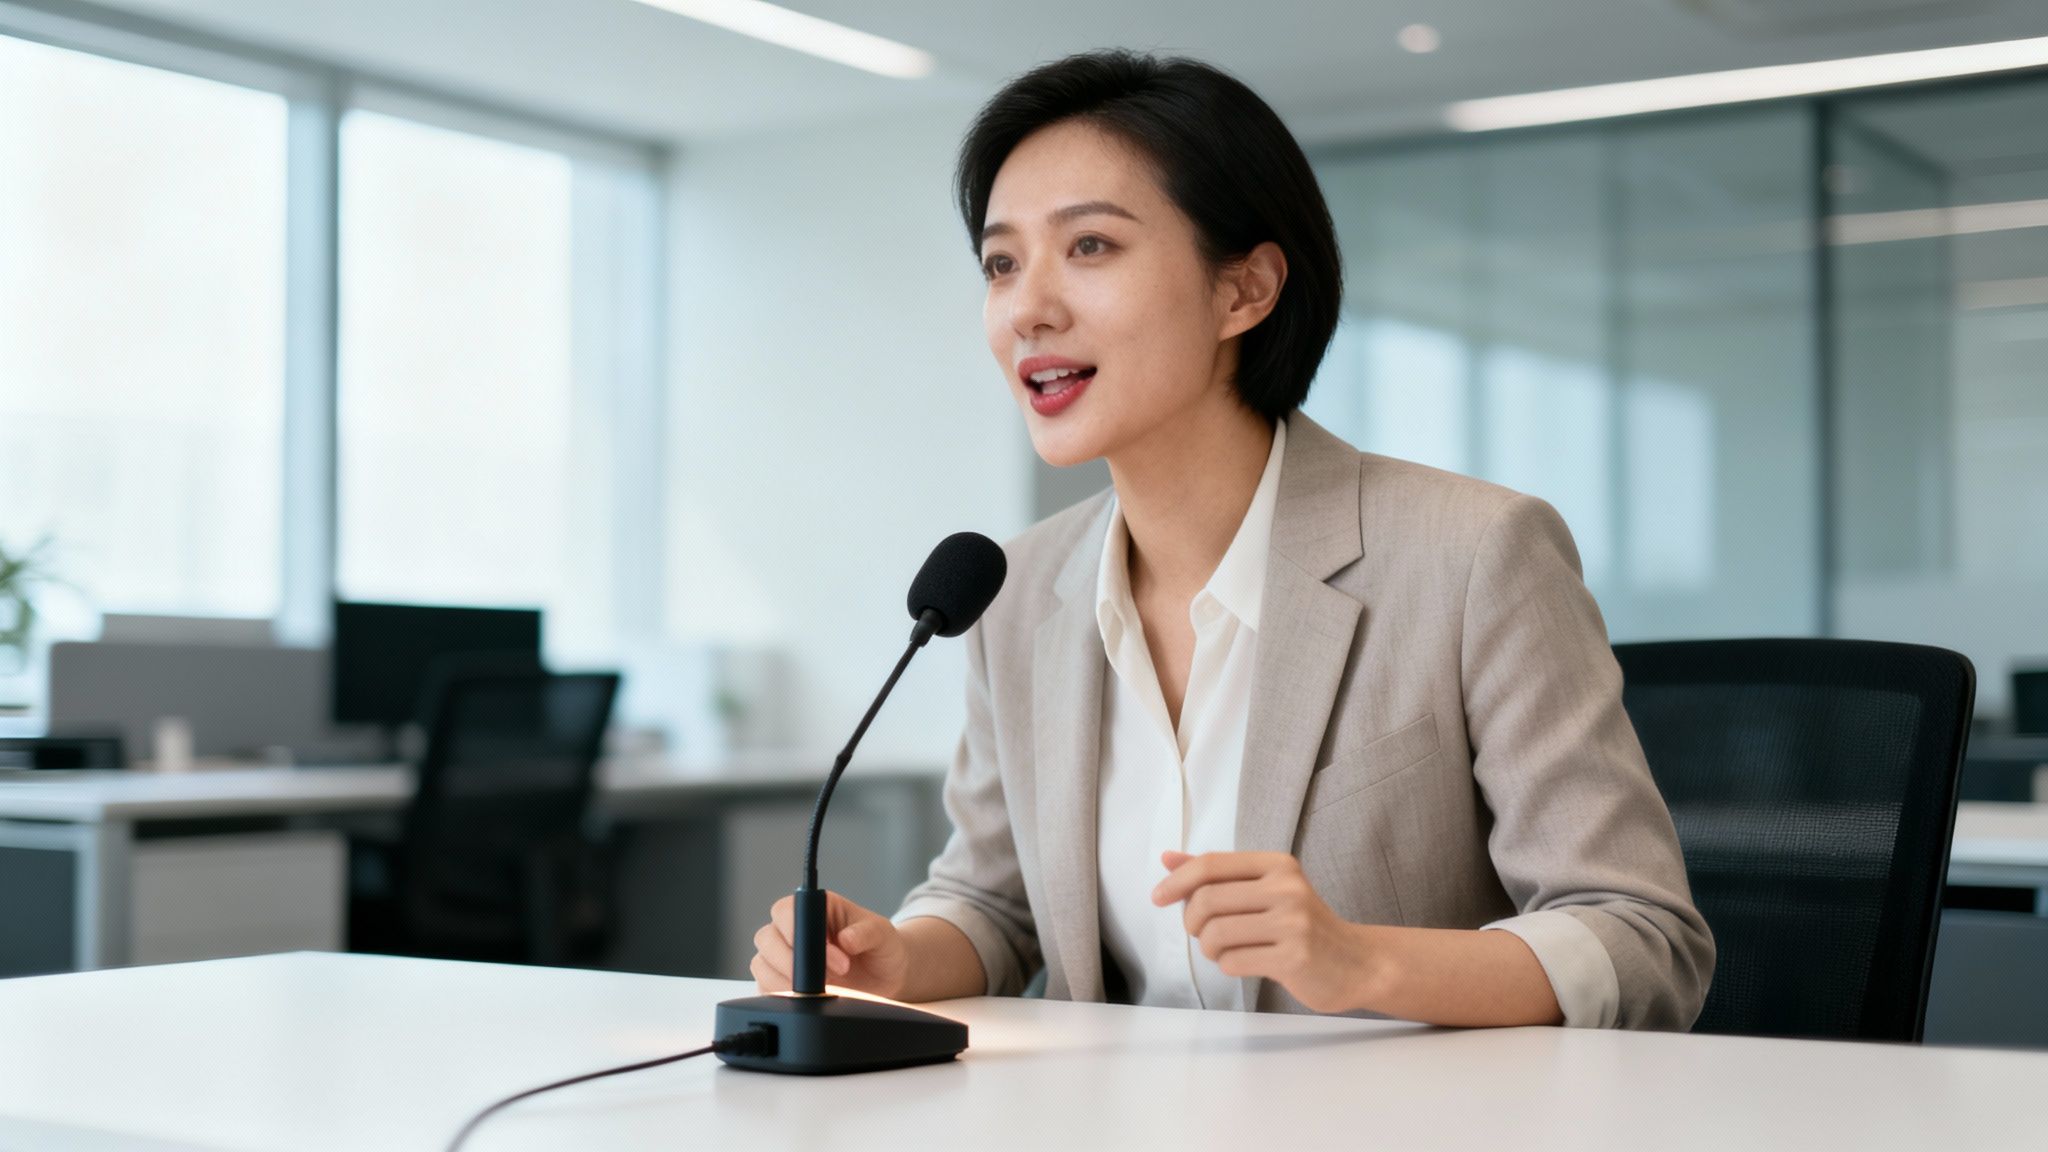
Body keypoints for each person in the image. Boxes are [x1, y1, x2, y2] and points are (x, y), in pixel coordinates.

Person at [750, 49, 1713, 1029]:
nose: (1027, 308)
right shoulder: (1019, 588)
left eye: (1088, 247)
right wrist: (900, 957)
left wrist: (1361, 964)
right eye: (1001, 263)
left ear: (1243, 290)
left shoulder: (1472, 554)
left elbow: (1640, 936)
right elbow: (995, 905)